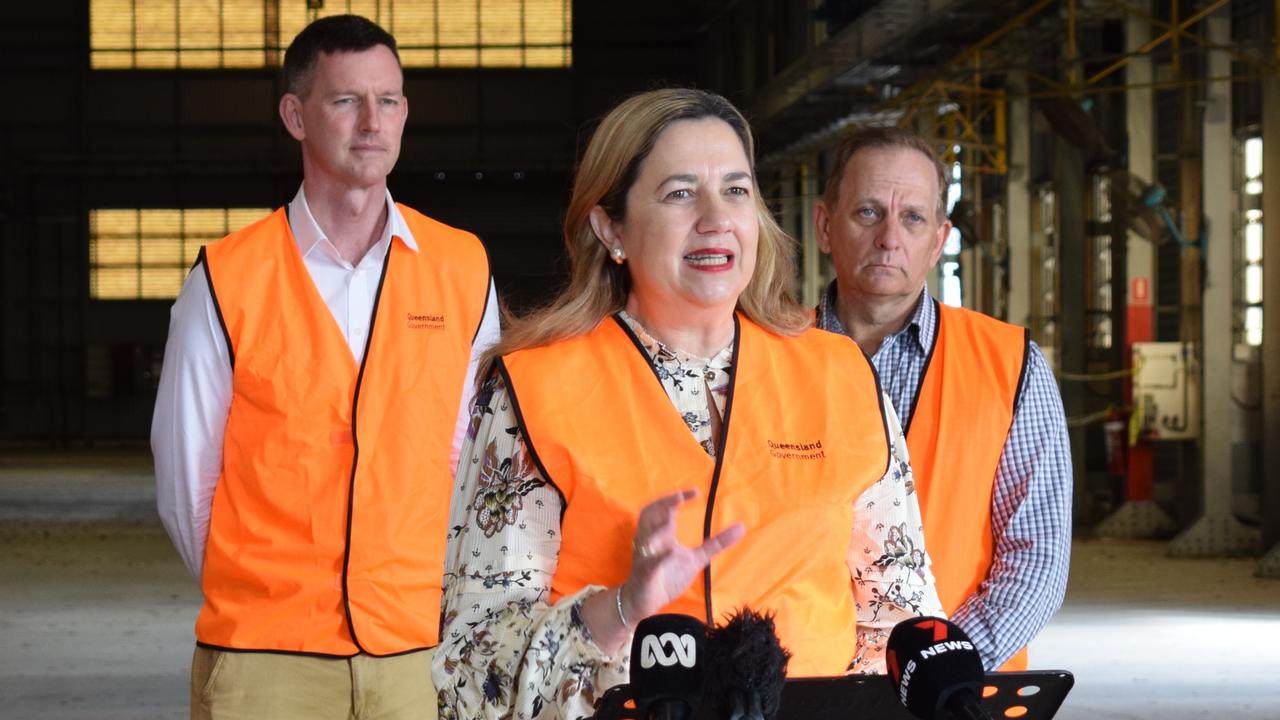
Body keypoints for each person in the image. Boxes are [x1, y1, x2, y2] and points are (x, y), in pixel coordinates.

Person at [432, 89, 943, 720]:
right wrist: (620, 607)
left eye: (735, 190)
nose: (716, 218)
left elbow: (900, 615)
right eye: (680, 193)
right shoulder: (532, 390)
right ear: (610, 227)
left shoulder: (841, 375)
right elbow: (471, 671)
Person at [151, 15, 499, 719]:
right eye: (346, 100)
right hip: (264, 663)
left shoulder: (463, 268)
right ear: (296, 115)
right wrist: (268, 599)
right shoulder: (225, 278)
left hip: (418, 654)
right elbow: (186, 482)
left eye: (390, 100)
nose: (373, 121)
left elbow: (475, 457)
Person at [813, 125, 1072, 671]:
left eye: (912, 217)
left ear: (938, 238)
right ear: (824, 226)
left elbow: (1038, 557)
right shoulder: (759, 360)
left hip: (957, 689)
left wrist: (941, 664)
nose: (889, 237)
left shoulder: (1011, 365)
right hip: (802, 686)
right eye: (867, 212)